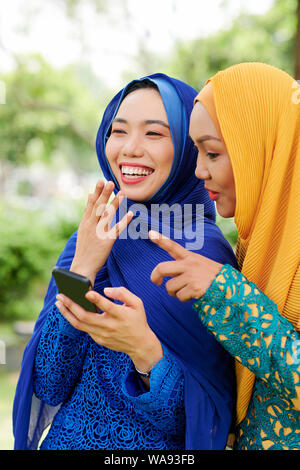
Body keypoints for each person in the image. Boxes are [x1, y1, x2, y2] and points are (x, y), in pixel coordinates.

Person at [13, 73, 238, 451]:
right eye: (118, 131)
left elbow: (204, 425)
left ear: (187, 148)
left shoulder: (205, 258)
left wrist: (145, 351)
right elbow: (49, 383)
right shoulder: (91, 238)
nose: (130, 149)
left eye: (154, 134)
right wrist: (80, 271)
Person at [149, 62, 300, 450]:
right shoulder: (256, 245)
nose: (199, 170)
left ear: (260, 149)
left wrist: (226, 294)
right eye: (197, 152)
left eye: (213, 153)